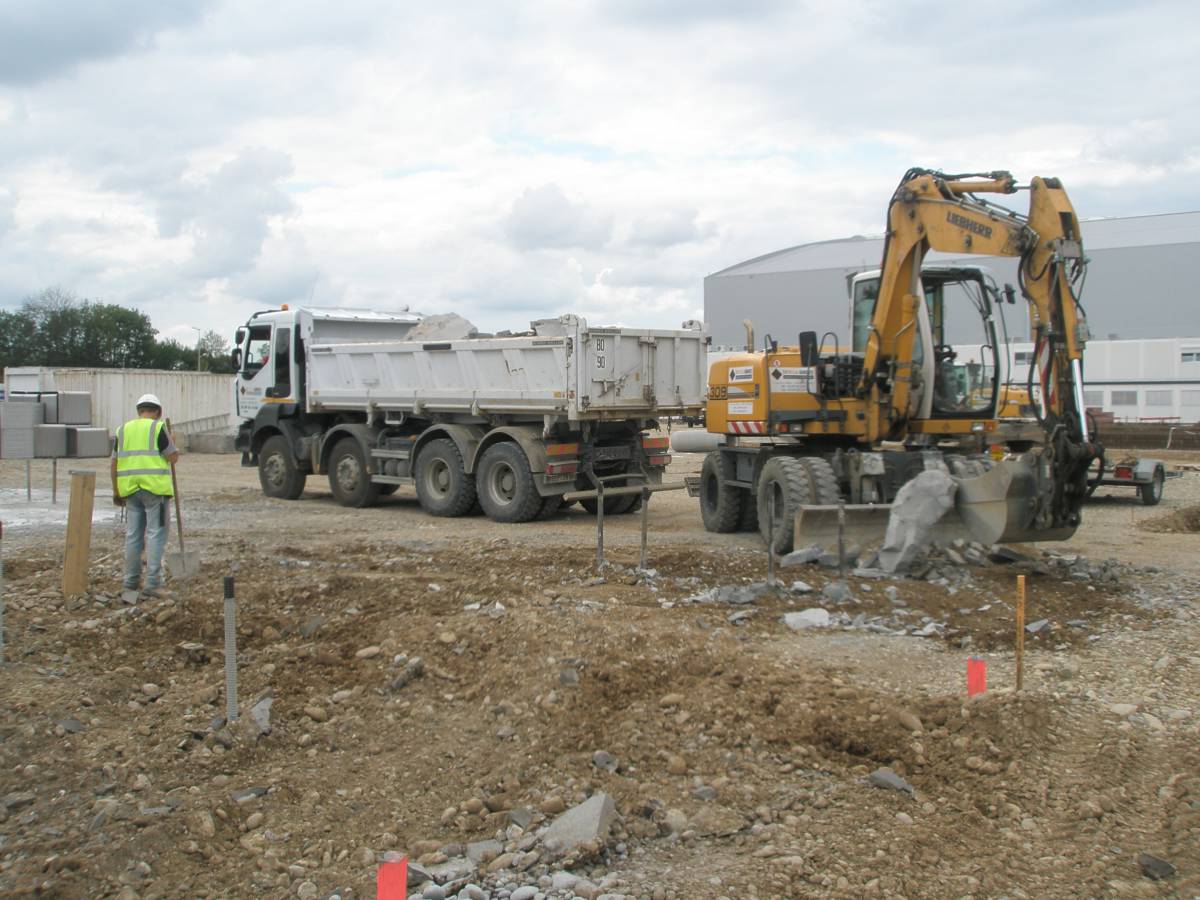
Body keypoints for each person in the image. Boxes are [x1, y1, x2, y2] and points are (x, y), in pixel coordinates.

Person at [111, 394, 180, 600]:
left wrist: (116, 491)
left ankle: (130, 584)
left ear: (139, 411)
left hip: (130, 491)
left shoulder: (122, 430)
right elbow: (172, 457)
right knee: (155, 535)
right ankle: (153, 583)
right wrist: (172, 442)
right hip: (155, 492)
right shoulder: (158, 428)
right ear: (158, 412)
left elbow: (113, 463)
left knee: (133, 536)